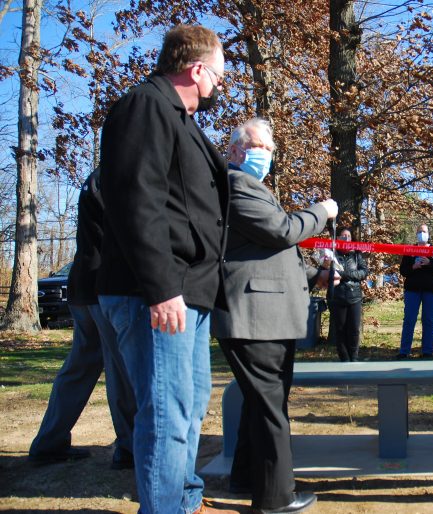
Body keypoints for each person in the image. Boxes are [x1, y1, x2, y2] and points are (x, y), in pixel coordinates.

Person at [97, 25, 236, 513]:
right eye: (217, 77)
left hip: (190, 290)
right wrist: (160, 288)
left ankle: (185, 498)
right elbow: (138, 202)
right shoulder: (146, 106)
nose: (219, 87)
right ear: (196, 70)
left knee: (191, 405)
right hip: (157, 293)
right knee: (167, 413)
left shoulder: (181, 119)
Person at [211, 118, 338, 514]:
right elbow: (282, 230)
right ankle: (276, 498)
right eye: (256, 147)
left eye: (268, 149)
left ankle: (247, 477)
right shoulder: (234, 185)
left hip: (265, 313)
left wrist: (314, 276)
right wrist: (321, 211)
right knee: (270, 407)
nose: (263, 155)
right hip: (254, 316)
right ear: (233, 151)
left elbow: (268, 252)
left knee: (259, 401)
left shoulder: (250, 186)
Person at [29, 169, 136, 470]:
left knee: (79, 368)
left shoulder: (96, 178)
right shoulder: (116, 176)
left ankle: (49, 442)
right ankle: (128, 446)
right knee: (120, 369)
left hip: (82, 285)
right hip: (104, 286)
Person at [397, 224, 433, 359]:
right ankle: (404, 351)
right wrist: (414, 266)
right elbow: (403, 271)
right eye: (419, 231)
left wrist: (429, 263)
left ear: (428, 234)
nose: (421, 233)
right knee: (409, 320)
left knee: (428, 320)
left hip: (431, 291)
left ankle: (427, 351)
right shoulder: (409, 250)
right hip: (412, 290)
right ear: (416, 233)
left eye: (424, 231)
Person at [325, 228, 369, 362]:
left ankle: (354, 358)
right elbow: (325, 273)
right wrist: (327, 266)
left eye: (348, 236)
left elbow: (363, 273)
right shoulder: (331, 254)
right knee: (340, 330)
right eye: (343, 236)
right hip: (337, 297)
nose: (346, 238)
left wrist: (343, 274)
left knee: (354, 329)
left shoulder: (356, 254)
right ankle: (344, 359)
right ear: (337, 238)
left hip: (354, 296)